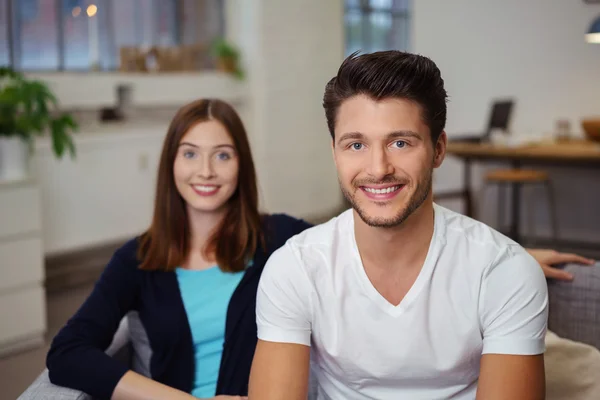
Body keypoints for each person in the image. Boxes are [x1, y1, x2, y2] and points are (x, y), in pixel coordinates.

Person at [248, 50, 562, 399]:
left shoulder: (504, 270)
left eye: (400, 143)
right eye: (356, 144)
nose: (378, 167)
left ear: (438, 149)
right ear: (335, 152)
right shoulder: (295, 269)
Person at [46, 99, 311, 400]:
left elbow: (351, 254)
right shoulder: (137, 259)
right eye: (190, 154)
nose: (206, 171)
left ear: (242, 165)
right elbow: (67, 352)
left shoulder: (281, 237)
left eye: (222, 155)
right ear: (171, 162)